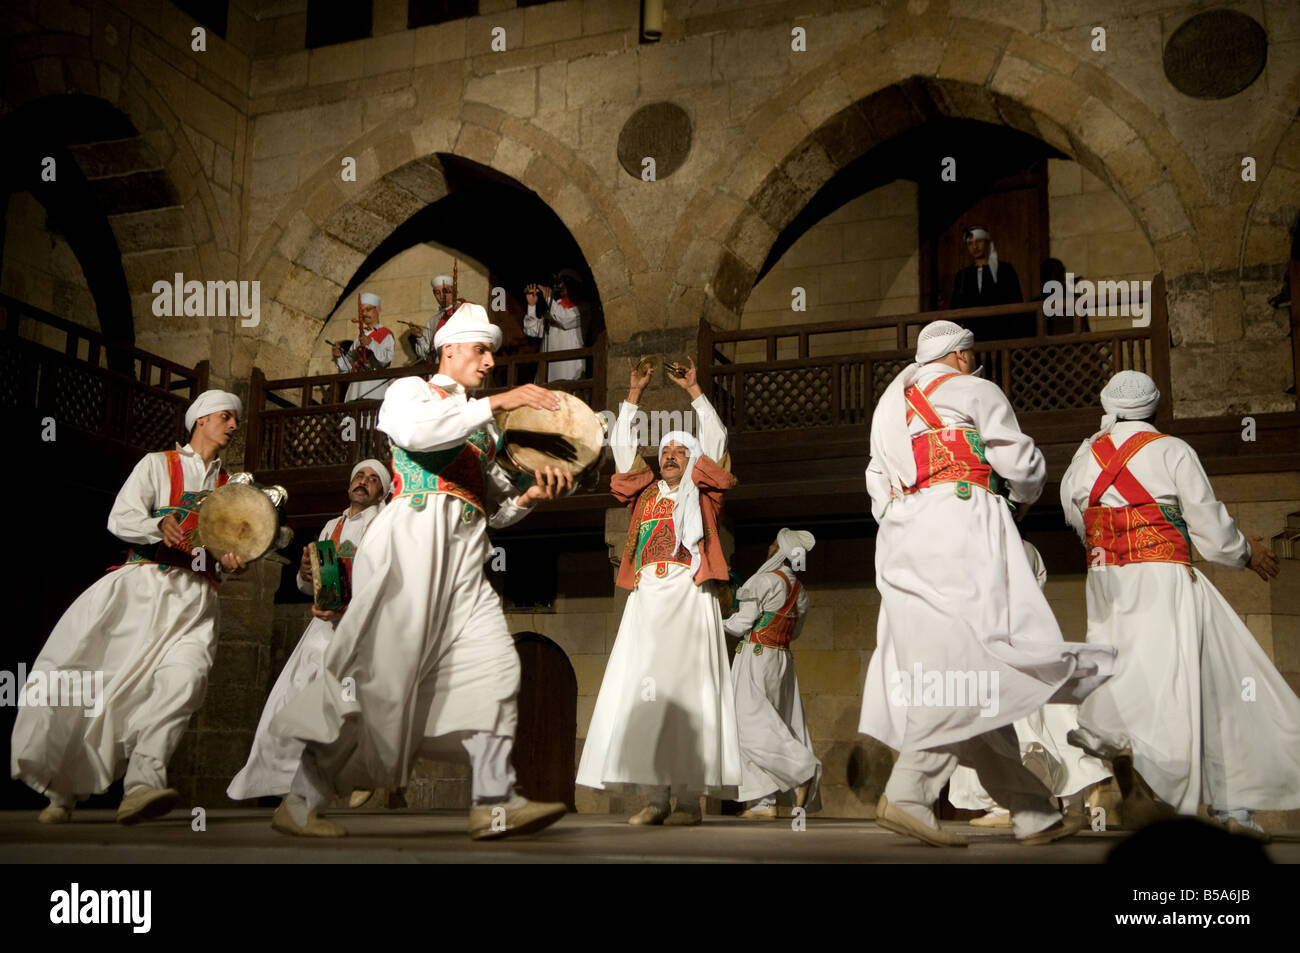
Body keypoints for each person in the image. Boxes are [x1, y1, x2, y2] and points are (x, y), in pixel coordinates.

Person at [270, 303, 573, 841]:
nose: (487, 362)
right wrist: (499, 403)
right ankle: (300, 799)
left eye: (491, 355)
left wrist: (531, 494)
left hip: (466, 563)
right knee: (377, 677)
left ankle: (492, 800)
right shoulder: (412, 393)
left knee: (497, 668)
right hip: (410, 547)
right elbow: (416, 433)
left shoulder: (485, 432)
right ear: (449, 349)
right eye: (480, 351)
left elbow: (490, 507)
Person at [859, 320, 1115, 847]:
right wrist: (1017, 495)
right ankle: (909, 791)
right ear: (957, 356)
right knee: (971, 660)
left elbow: (877, 488)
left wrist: (909, 515)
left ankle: (1031, 809)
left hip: (904, 538)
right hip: (962, 526)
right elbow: (1022, 466)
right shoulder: (975, 389)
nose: (972, 364)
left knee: (961, 663)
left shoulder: (889, 407)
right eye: (970, 356)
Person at [1060, 370, 1300, 839]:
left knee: (1131, 679)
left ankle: (1136, 761)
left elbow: (1078, 521)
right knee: (1212, 683)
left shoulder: (1084, 457)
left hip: (1107, 583)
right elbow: (1212, 532)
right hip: (1165, 584)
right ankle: (1224, 804)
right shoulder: (1173, 451)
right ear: (1156, 408)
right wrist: (1246, 552)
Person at [11, 390, 248, 824]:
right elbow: (119, 518)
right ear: (200, 420)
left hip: (196, 601)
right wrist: (158, 524)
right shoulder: (157, 465)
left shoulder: (231, 487)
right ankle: (62, 791)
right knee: (97, 682)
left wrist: (234, 561)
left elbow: (229, 550)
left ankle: (142, 786)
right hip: (142, 589)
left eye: (235, 420)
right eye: (226, 417)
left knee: (185, 681)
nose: (234, 426)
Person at [576, 357, 742, 825]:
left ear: (693, 462)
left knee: (687, 691)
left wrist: (694, 390)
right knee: (645, 691)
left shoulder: (703, 492)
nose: (669, 455)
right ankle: (654, 798)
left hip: (689, 595)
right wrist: (633, 395)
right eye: (666, 450)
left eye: (679, 451)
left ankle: (688, 801)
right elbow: (624, 448)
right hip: (648, 598)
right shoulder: (645, 491)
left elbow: (717, 441)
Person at [226, 460, 390, 813]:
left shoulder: (387, 523)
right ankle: (291, 789)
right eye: (360, 476)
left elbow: (385, 581)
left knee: (348, 704)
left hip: (362, 629)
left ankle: (362, 774)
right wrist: (305, 574)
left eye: (374, 480)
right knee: (290, 701)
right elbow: (311, 583)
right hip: (322, 627)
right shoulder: (333, 524)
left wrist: (348, 609)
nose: (364, 482)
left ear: (383, 491)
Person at [946, 540, 1112, 828]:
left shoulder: (982, 545)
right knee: (1047, 716)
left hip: (999, 642)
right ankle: (1077, 800)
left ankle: (1014, 803)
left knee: (1012, 723)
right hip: (1028, 636)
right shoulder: (1026, 547)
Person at [723, 528, 821, 820]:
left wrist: (713, 623)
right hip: (782, 661)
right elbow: (797, 630)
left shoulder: (762, 581)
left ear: (780, 551)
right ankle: (763, 802)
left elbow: (742, 624)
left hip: (755, 657)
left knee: (746, 725)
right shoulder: (800, 590)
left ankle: (799, 770)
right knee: (770, 722)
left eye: (774, 544)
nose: (769, 547)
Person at [949, 226, 1032, 340]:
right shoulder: (963, 275)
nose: (975, 246)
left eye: (979, 241)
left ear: (987, 242)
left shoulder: (1004, 270)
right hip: (973, 334)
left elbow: (1016, 301)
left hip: (1001, 332)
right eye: (970, 243)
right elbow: (955, 306)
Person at [334, 292, 394, 402]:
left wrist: (371, 343)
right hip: (355, 389)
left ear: (378, 309)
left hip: (374, 388)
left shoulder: (386, 334)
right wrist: (340, 357)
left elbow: (386, 359)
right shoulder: (359, 339)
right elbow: (348, 367)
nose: (364, 314)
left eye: (368, 309)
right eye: (362, 311)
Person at [533, 275, 584, 382]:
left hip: (566, 367)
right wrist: (531, 306)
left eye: (565, 286)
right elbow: (533, 330)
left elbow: (565, 319)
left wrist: (548, 298)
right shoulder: (555, 307)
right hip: (548, 365)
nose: (562, 289)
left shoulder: (580, 308)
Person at [410, 275, 460, 364]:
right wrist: (420, 337)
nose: (442, 296)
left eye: (445, 291)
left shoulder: (462, 311)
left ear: (453, 291)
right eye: (437, 293)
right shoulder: (433, 321)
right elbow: (426, 355)